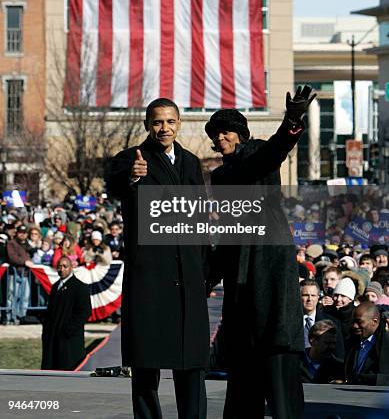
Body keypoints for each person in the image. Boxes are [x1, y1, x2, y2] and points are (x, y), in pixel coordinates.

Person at [205, 85, 316, 419]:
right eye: (215, 132)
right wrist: (207, 278)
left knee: (277, 360)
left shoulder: (256, 155)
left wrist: (292, 120)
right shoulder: (220, 176)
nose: (220, 136)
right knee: (243, 368)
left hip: (268, 265)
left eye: (225, 130)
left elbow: (276, 151)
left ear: (239, 134)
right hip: (241, 273)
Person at [106, 98, 209, 419]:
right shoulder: (131, 159)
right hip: (150, 275)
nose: (164, 128)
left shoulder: (191, 162)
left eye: (170, 122)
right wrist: (133, 177)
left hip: (187, 274)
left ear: (179, 124)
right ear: (147, 125)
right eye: (157, 122)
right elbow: (115, 185)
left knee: (191, 363)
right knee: (146, 364)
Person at [41, 256, 91, 370]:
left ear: (71, 267)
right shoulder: (55, 287)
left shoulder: (80, 287)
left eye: (65, 266)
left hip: (69, 339)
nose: (62, 269)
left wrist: (68, 330)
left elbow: (85, 312)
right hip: (53, 336)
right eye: (59, 266)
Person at [345, 302, 389, 385]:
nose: (355, 326)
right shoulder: (352, 341)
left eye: (359, 322)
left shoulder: (385, 344)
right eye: (353, 321)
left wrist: (362, 379)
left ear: (374, 321)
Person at [300, 280, 344, 359]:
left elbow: (339, 353)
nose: (309, 299)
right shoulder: (290, 321)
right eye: (305, 295)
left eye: (313, 295)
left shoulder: (333, 322)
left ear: (318, 297)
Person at [6, 225, 35, 324]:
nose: (22, 234)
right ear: (17, 233)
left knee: (25, 297)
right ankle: (10, 317)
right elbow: (12, 257)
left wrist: (28, 260)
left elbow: (32, 258)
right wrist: (24, 262)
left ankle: (21, 317)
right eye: (20, 232)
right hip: (14, 274)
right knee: (12, 296)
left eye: (25, 232)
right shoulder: (11, 243)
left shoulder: (28, 245)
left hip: (26, 274)